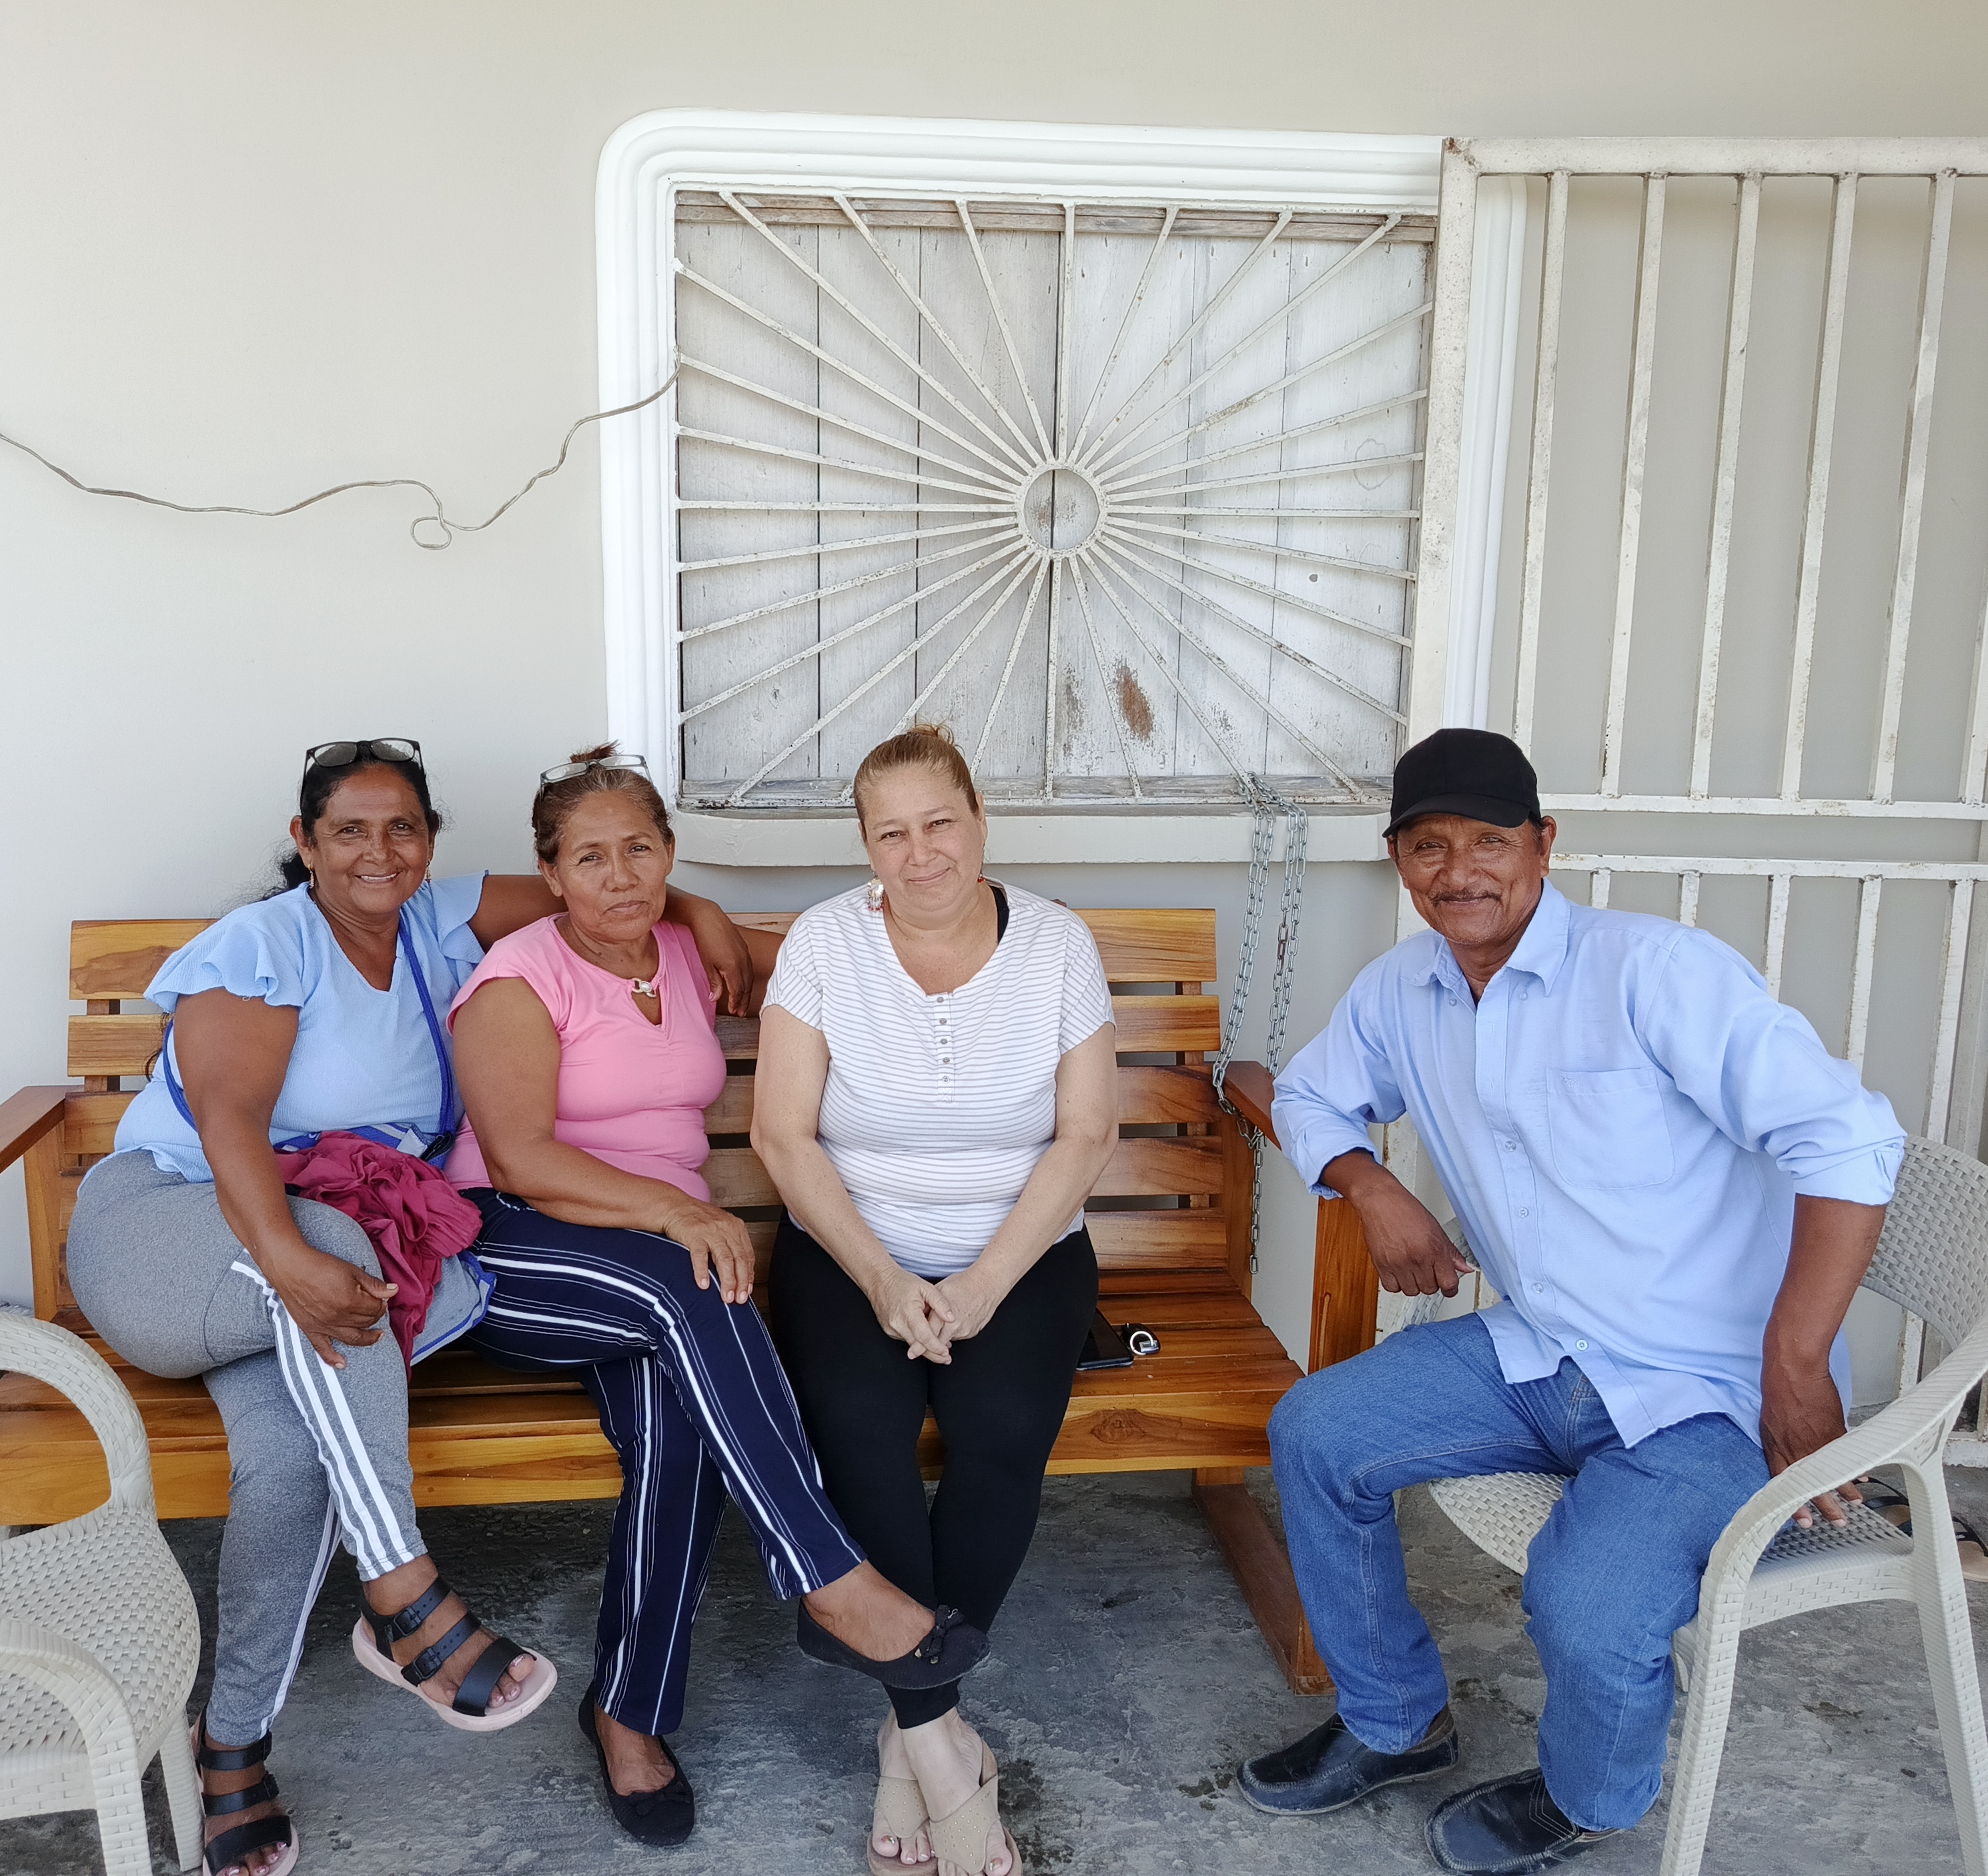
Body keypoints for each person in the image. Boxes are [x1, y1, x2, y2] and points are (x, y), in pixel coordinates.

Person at [66, 737, 765, 1876]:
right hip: (172, 1234)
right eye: (348, 829)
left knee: (292, 1465)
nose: (377, 851)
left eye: (402, 827)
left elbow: (598, 882)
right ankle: (405, 1597)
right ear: (305, 843)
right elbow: (230, 1123)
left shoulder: (439, 921)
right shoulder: (265, 942)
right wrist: (289, 1258)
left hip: (313, 1279)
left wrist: (705, 912)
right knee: (339, 1251)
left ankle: (230, 1748)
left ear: (431, 842)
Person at [1239, 727, 1907, 1875]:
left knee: (1586, 1602)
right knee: (1318, 1430)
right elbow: (1304, 1095)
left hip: (1709, 1392)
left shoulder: (1654, 972)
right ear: (1399, 860)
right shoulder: (1404, 988)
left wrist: (1797, 1365)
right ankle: (1396, 1723)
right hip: (1542, 1350)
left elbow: (1847, 1142)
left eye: (1491, 841)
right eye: (1429, 845)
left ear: (1545, 845)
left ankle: (1588, 1800)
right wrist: (1372, 1186)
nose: (1460, 871)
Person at [443, 745, 993, 1849]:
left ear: (669, 854)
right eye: (589, 858)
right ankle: (829, 1575)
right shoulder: (518, 977)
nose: (619, 877)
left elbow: (858, 948)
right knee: (696, 1282)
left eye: (640, 850)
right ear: (549, 874)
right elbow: (517, 1158)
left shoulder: (688, 951)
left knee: (681, 1425)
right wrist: (675, 1211)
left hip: (657, 1269)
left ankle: (629, 1711)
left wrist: (1004, 948)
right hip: (517, 1249)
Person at [753, 723, 1120, 1876]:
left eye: (940, 824)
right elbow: (783, 1136)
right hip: (848, 1251)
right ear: (868, 847)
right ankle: (940, 1742)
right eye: (892, 834)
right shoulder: (824, 944)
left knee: (1000, 1427)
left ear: (980, 822)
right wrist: (880, 1275)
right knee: (858, 1428)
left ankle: (906, 1728)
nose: (921, 855)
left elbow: (1085, 1135)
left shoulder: (1056, 944)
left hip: (1021, 1255)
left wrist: (981, 1283)